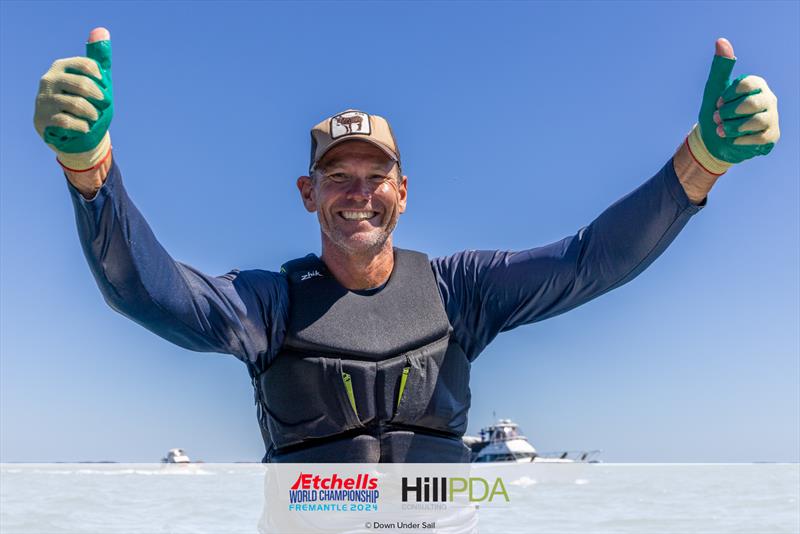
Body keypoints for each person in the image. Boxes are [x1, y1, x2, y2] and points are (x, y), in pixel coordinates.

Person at [33, 27, 780, 463]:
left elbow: (592, 260)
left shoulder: (462, 291)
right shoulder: (268, 303)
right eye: (338, 178)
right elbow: (147, 289)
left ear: (403, 191)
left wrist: (702, 159)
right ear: (308, 194)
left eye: (376, 176)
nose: (358, 192)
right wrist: (89, 169)